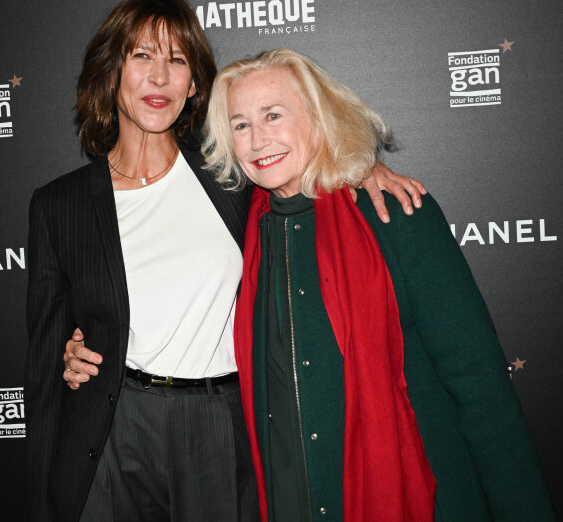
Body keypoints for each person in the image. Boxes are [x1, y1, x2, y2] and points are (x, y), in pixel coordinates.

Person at [26, 0, 424, 522]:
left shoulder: (231, 179)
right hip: (113, 425)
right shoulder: (59, 206)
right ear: (112, 71)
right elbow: (46, 366)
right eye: (143, 56)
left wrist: (363, 166)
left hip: (217, 424)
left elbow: (301, 152)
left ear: (193, 84)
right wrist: (69, 361)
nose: (160, 77)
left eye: (177, 60)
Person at [199, 48, 556, 521]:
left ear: (317, 117)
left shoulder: (394, 215)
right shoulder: (241, 233)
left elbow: (480, 387)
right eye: (240, 124)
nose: (257, 139)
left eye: (273, 115)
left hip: (418, 499)